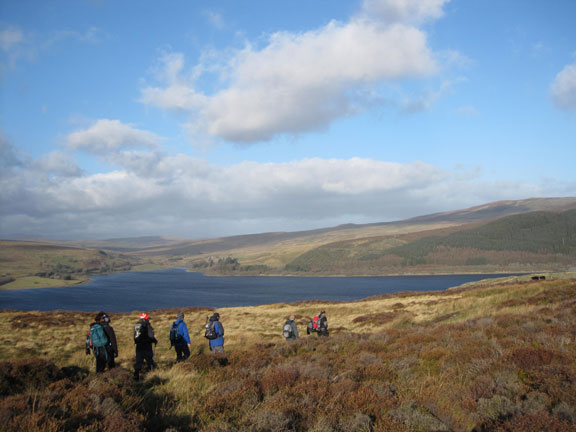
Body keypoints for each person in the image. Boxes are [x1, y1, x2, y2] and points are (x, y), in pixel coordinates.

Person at [133, 312, 157, 381]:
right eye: (148, 319)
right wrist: (154, 340)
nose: (148, 320)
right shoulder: (147, 325)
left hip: (139, 346)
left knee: (139, 361)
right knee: (149, 360)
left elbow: (135, 336)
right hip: (147, 346)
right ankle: (152, 376)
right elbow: (151, 336)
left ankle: (136, 375)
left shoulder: (137, 325)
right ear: (145, 319)